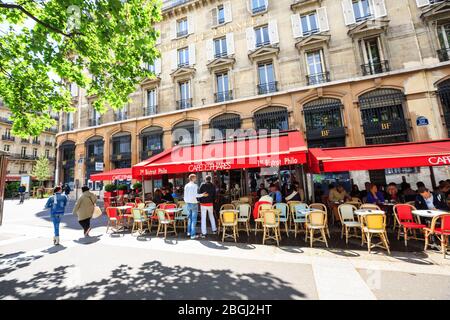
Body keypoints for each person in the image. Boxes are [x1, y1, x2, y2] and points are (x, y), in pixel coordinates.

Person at [184, 174, 207, 240]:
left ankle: (189, 232)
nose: (196, 179)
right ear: (193, 178)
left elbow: (185, 196)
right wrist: (203, 194)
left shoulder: (186, 185)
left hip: (188, 203)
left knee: (190, 219)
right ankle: (192, 235)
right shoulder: (195, 185)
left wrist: (186, 201)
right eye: (195, 178)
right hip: (194, 203)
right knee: (194, 220)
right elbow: (196, 195)